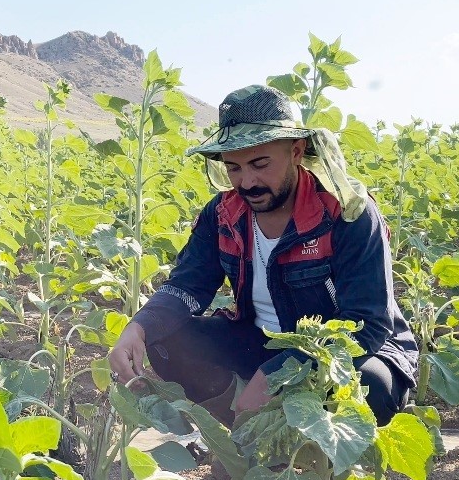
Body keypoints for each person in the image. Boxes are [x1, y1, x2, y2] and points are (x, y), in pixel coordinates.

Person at [108, 84, 418, 426]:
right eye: (234, 168)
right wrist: (138, 327)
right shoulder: (223, 214)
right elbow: (187, 286)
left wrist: (278, 373)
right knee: (166, 339)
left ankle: (305, 447)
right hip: (260, 340)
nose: (247, 181)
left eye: (260, 164)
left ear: (296, 152)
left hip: (346, 351)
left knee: (370, 387)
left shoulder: (347, 215)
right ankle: (241, 437)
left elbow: (368, 324)